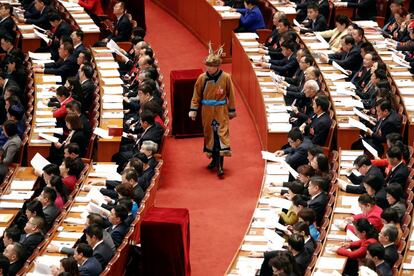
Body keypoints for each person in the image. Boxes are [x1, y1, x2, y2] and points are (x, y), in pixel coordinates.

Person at [189, 44, 236, 177]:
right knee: (210, 135)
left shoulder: (226, 77)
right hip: (207, 111)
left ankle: (221, 166)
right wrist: (194, 110)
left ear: (217, 66)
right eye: (207, 65)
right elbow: (196, 94)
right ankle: (214, 161)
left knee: (221, 136)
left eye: (210, 66)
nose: (208, 68)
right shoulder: (202, 78)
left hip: (221, 111)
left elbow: (231, 94)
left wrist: (231, 110)